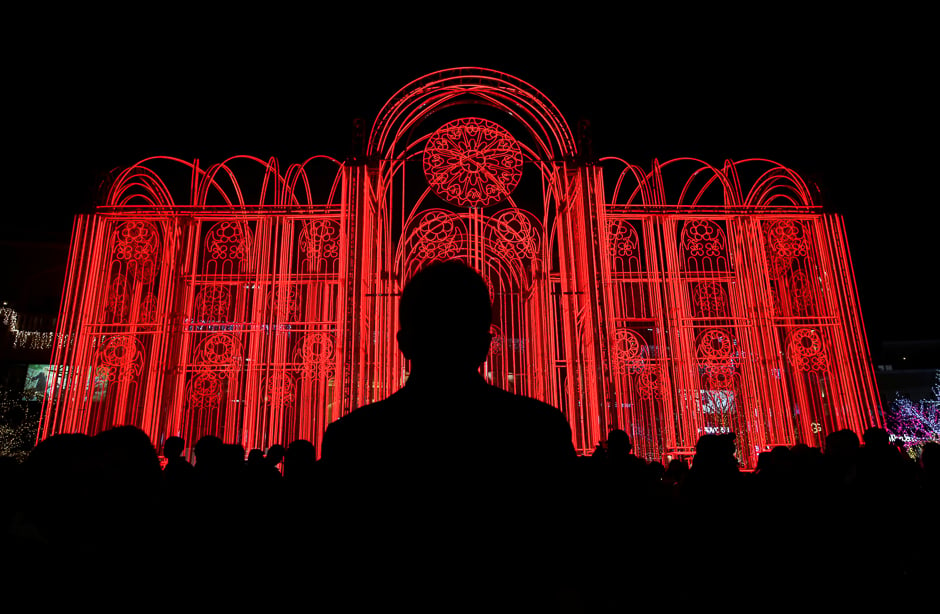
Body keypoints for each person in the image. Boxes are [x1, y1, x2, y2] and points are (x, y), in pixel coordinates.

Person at [319, 260, 577, 610]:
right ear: (486, 344)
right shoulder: (540, 430)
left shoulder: (353, 439)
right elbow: (564, 560)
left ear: (404, 342)